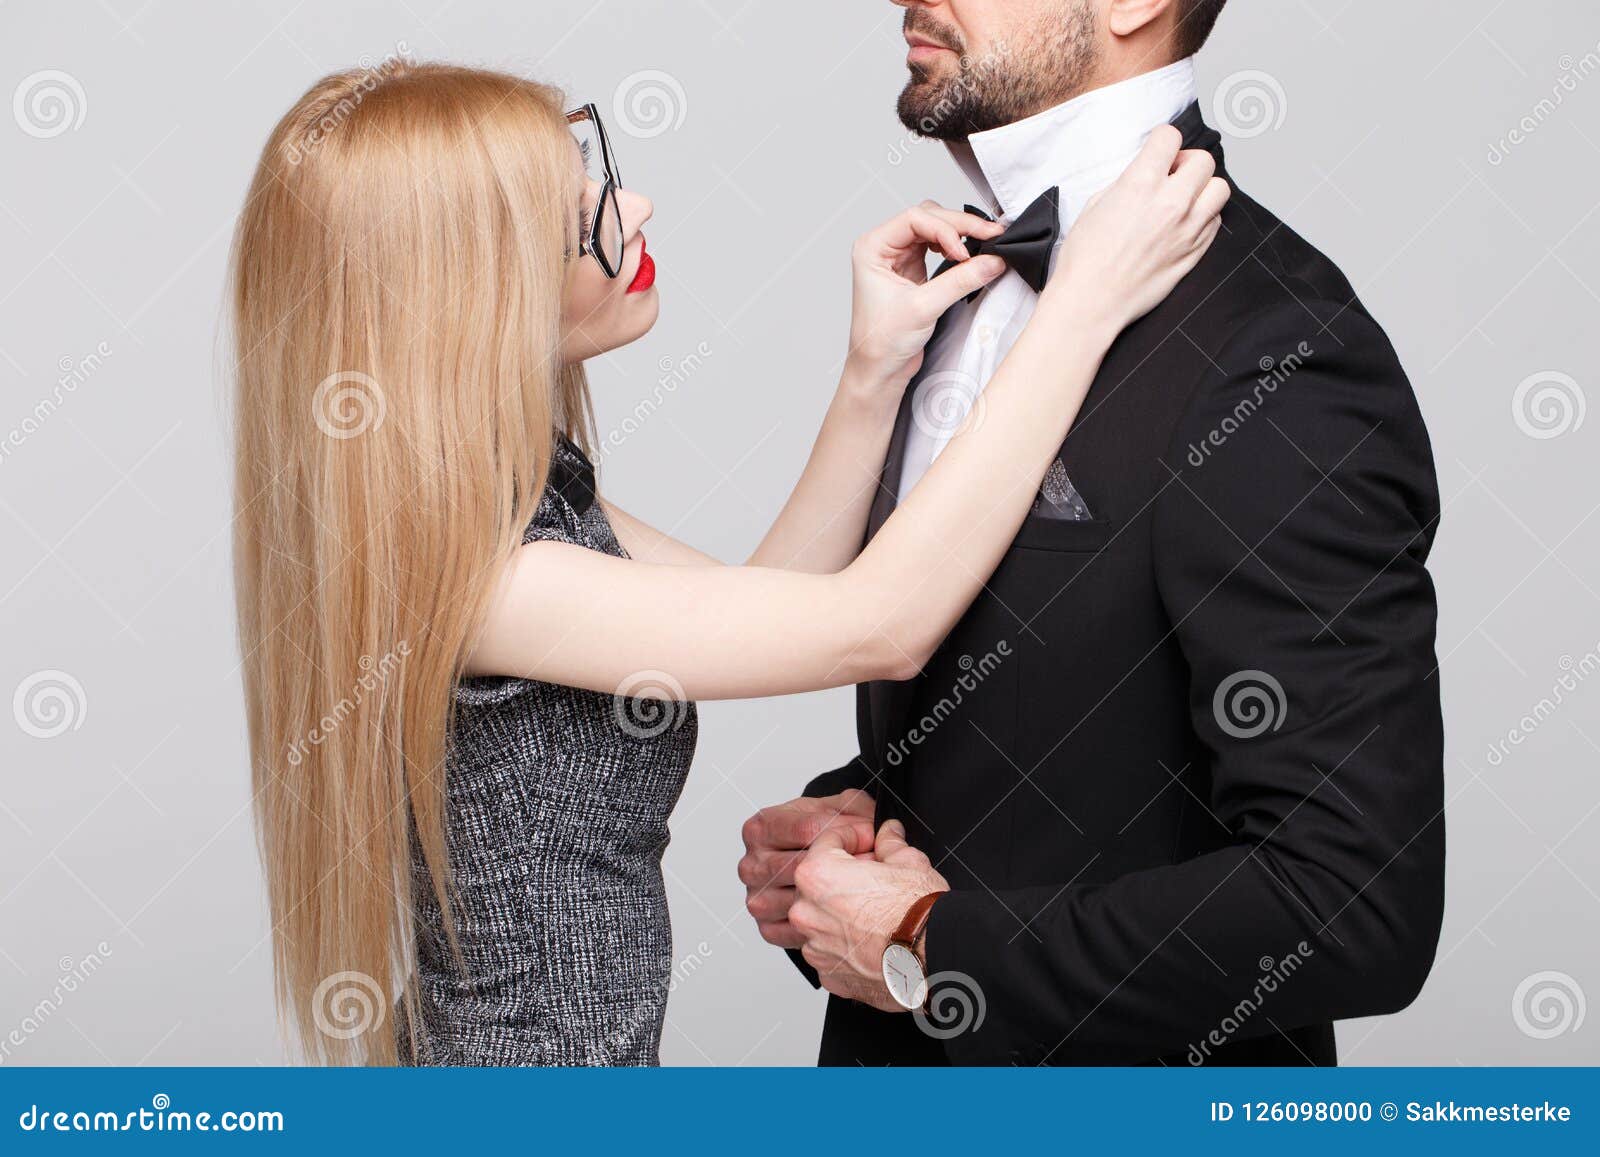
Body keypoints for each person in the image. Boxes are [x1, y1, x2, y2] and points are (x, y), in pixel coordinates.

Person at [230, 60, 1225, 1065]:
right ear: (466, 293)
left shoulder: (519, 500)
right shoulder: (488, 577)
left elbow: (768, 602)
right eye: (580, 217)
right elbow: (876, 626)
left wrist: (873, 371)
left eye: (598, 179)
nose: (636, 206)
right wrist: (1079, 310)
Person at [743, 0, 1446, 1066]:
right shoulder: (943, 299)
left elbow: (1351, 898)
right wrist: (847, 840)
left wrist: (933, 941)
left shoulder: (1278, 350)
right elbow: (1062, 716)